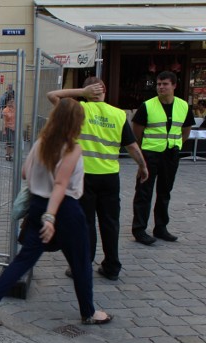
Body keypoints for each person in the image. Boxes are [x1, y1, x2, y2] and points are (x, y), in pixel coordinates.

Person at [0, 98, 112, 326]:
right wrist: (51, 217)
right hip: (65, 209)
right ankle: (88, 312)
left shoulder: (41, 143)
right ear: (76, 122)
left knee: (24, 259)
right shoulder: (72, 147)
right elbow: (61, 184)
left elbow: (23, 173)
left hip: (38, 204)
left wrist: (43, 191)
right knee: (80, 261)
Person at [46, 77, 149, 281]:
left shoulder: (79, 110)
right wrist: (143, 166)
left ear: (87, 90)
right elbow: (132, 146)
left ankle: (84, 265)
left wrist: (81, 92)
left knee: (86, 223)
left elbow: (52, 96)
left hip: (84, 177)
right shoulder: (117, 114)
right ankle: (112, 267)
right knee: (110, 222)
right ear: (105, 90)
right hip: (110, 176)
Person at [131, 71, 195, 245]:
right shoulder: (148, 106)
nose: (161, 87)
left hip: (171, 154)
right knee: (144, 192)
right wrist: (141, 157)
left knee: (164, 192)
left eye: (165, 84)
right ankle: (139, 230)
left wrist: (176, 145)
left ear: (174, 86)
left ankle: (161, 227)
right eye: (159, 84)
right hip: (150, 154)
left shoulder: (183, 106)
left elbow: (186, 130)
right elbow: (137, 132)